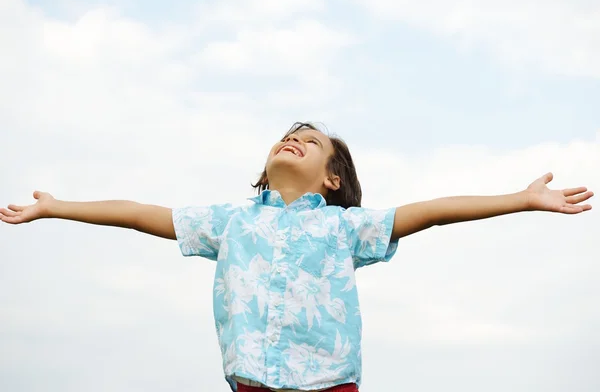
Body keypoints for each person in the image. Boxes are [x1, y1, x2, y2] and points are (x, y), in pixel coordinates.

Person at [0, 122, 593, 392]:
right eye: (289, 134)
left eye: (312, 141)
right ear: (265, 168)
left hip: (331, 387)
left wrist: (521, 199)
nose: (296, 138)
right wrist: (57, 206)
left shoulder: (345, 228)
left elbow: (433, 209)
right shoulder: (228, 222)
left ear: (333, 178)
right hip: (253, 385)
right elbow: (137, 212)